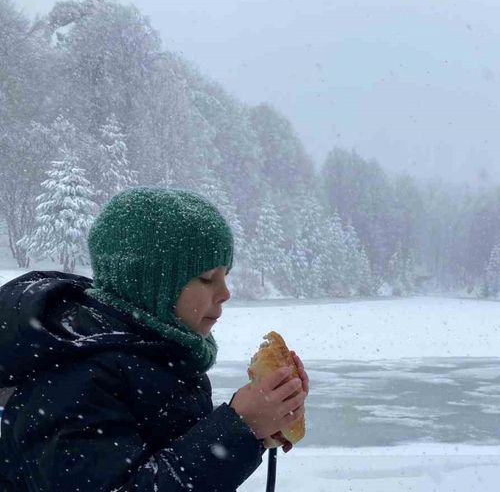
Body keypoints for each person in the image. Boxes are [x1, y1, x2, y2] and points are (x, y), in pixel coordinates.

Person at [0, 187, 309, 491]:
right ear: (150, 284)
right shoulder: (77, 374)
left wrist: (257, 431)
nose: (225, 293)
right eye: (207, 278)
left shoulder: (158, 356)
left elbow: (166, 463)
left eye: (225, 275)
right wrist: (239, 426)